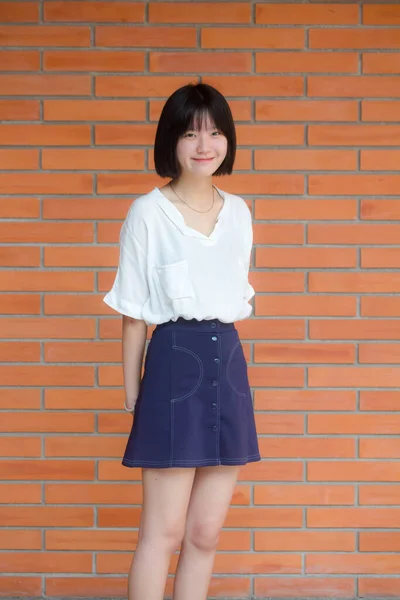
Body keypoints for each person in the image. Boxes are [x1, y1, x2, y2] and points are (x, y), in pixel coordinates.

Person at [103, 82, 260, 600]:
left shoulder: (239, 213)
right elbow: (133, 313)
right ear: (172, 139)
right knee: (163, 533)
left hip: (229, 370)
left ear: (227, 140)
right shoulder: (147, 212)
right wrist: (133, 393)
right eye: (191, 133)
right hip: (172, 367)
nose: (204, 145)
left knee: (204, 533)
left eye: (214, 132)